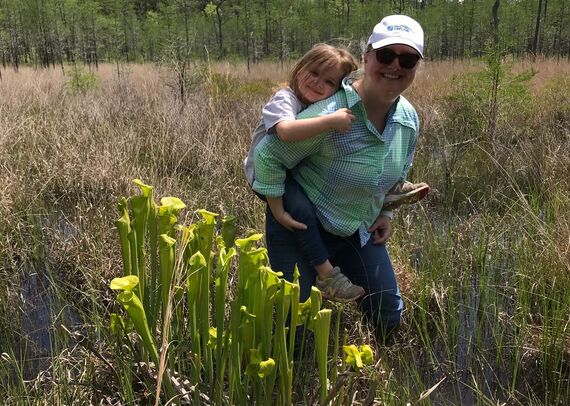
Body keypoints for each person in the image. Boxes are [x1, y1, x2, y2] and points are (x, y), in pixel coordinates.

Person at [252, 14, 426, 341]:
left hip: (355, 229)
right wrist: (278, 208)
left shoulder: (408, 119)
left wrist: (386, 212)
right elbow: (267, 155)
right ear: (367, 57)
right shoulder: (331, 114)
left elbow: (400, 171)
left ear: (416, 66)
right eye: (387, 55)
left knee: (388, 313)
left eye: (408, 58)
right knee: (296, 328)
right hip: (301, 228)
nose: (395, 65)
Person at [244, 44, 366, 302]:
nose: (318, 83)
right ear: (299, 68)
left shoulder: (316, 105)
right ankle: (327, 275)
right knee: (301, 210)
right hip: (263, 175)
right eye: (313, 72)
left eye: (329, 82)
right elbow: (286, 132)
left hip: (288, 171)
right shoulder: (285, 98)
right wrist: (331, 120)